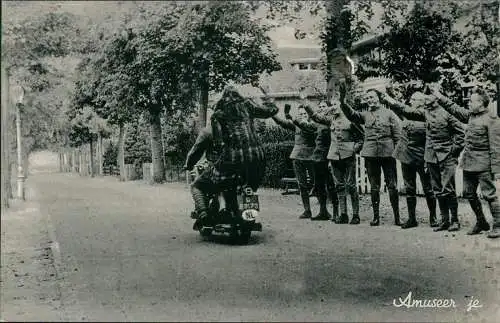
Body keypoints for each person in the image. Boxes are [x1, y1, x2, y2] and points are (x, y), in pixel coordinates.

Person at [379, 86, 465, 232]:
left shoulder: (447, 113)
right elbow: (407, 111)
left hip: (445, 156)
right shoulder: (425, 112)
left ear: (436, 97)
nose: (426, 99)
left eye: (428, 96)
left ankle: (454, 220)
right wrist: (390, 100)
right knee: (438, 189)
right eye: (424, 96)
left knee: (448, 189)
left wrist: (453, 152)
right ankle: (444, 221)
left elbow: (461, 134)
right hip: (430, 156)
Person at [431, 85, 500, 239]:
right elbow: (454, 108)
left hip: (484, 164)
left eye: (471, 101)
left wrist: (496, 170)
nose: (468, 103)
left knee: (489, 195)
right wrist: (439, 96)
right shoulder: (470, 115)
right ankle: (481, 222)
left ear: (481, 103)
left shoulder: (492, 120)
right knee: (469, 193)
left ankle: (497, 225)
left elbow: (496, 147)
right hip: (469, 163)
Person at [209, 86, 279, 222]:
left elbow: (218, 141)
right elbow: (271, 111)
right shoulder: (247, 104)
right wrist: (267, 98)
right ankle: (249, 215)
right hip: (257, 154)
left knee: (220, 178)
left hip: (233, 156)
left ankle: (226, 208)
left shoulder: (218, 113)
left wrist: (216, 155)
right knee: (251, 185)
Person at [338, 83, 402, 227]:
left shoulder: (389, 113)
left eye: (372, 97)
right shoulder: (365, 114)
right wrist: (342, 100)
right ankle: (376, 217)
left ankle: (397, 217)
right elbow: (352, 115)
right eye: (367, 98)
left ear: (379, 98)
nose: (370, 100)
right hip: (371, 154)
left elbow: (397, 136)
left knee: (392, 186)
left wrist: (396, 153)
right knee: (374, 187)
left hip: (388, 154)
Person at [375, 90, 438, 229]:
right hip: (406, 155)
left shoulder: (426, 115)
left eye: (415, 100)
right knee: (409, 188)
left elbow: (431, 140)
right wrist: (387, 98)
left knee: (428, 188)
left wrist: (429, 158)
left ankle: (433, 217)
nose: (411, 102)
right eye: (411, 100)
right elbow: (399, 110)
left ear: (422, 102)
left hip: (422, 157)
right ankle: (411, 219)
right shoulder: (407, 114)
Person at [303, 98, 364, 224]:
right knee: (339, 186)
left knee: (351, 186)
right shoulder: (331, 120)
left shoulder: (351, 120)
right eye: (332, 105)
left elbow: (361, 138)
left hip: (348, 156)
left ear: (343, 105)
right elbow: (316, 117)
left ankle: (356, 215)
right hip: (334, 156)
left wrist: (354, 148)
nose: (333, 107)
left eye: (336, 105)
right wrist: (305, 103)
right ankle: (343, 214)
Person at [296, 94, 339, 221]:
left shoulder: (332, 121)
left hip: (329, 156)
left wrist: (306, 103)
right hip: (317, 157)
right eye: (319, 106)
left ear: (330, 108)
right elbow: (307, 126)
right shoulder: (318, 123)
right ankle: (323, 211)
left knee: (331, 185)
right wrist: (294, 119)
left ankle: (336, 212)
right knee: (319, 185)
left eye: (324, 106)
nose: (321, 108)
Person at [271, 104, 316, 219]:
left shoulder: (312, 125)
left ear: (309, 115)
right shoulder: (296, 125)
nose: (302, 116)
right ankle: (307, 210)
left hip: (311, 156)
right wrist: (271, 114)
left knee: (316, 183)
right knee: (302, 185)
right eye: (300, 114)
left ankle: (323, 210)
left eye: (305, 114)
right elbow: (282, 122)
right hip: (297, 156)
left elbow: (304, 126)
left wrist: (289, 116)